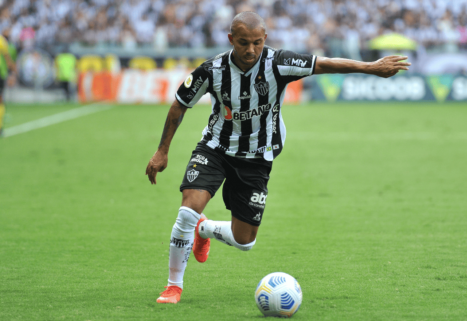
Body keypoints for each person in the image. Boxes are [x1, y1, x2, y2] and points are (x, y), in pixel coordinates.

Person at [145, 11, 410, 304]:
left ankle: (204, 229)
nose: (250, 50)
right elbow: (179, 105)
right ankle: (174, 286)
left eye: (257, 43)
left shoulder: (278, 62)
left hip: (258, 157)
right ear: (231, 39)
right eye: (243, 42)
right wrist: (162, 150)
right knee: (187, 211)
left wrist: (371, 67)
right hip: (215, 149)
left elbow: (324, 64)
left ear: (265, 39)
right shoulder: (211, 70)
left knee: (245, 241)